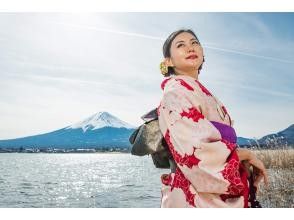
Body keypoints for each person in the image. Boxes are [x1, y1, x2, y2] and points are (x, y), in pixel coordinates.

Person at [157, 29, 269, 208]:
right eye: (181, 45)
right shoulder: (175, 94)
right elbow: (198, 156)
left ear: (203, 53)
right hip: (195, 196)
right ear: (168, 61)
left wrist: (243, 164)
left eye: (194, 43)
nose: (190, 48)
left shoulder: (201, 93)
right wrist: (247, 155)